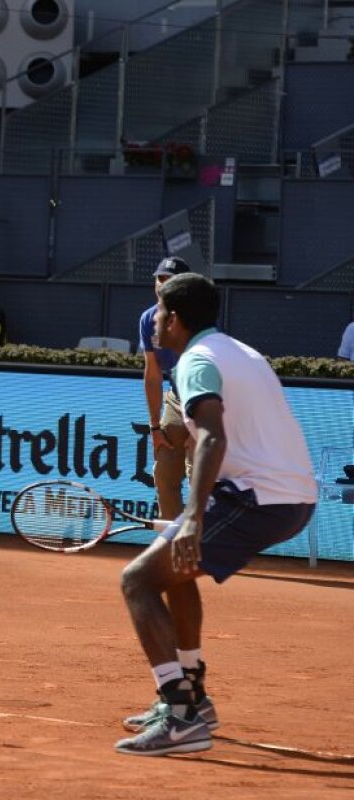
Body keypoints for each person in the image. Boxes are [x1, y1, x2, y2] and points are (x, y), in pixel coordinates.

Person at [115, 272, 315, 757]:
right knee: (176, 576)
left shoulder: (197, 361)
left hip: (257, 497)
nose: (155, 322)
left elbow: (212, 436)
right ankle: (195, 699)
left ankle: (181, 716)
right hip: (284, 494)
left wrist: (193, 515)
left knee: (137, 581)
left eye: (160, 314)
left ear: (176, 319)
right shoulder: (240, 352)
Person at [138, 256, 193, 521]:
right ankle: (173, 545)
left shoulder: (199, 320)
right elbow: (152, 374)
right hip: (175, 400)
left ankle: (207, 548)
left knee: (200, 479)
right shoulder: (148, 320)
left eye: (169, 281)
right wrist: (155, 427)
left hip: (205, 403)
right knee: (164, 475)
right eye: (159, 279)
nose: (162, 285)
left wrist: (203, 425)